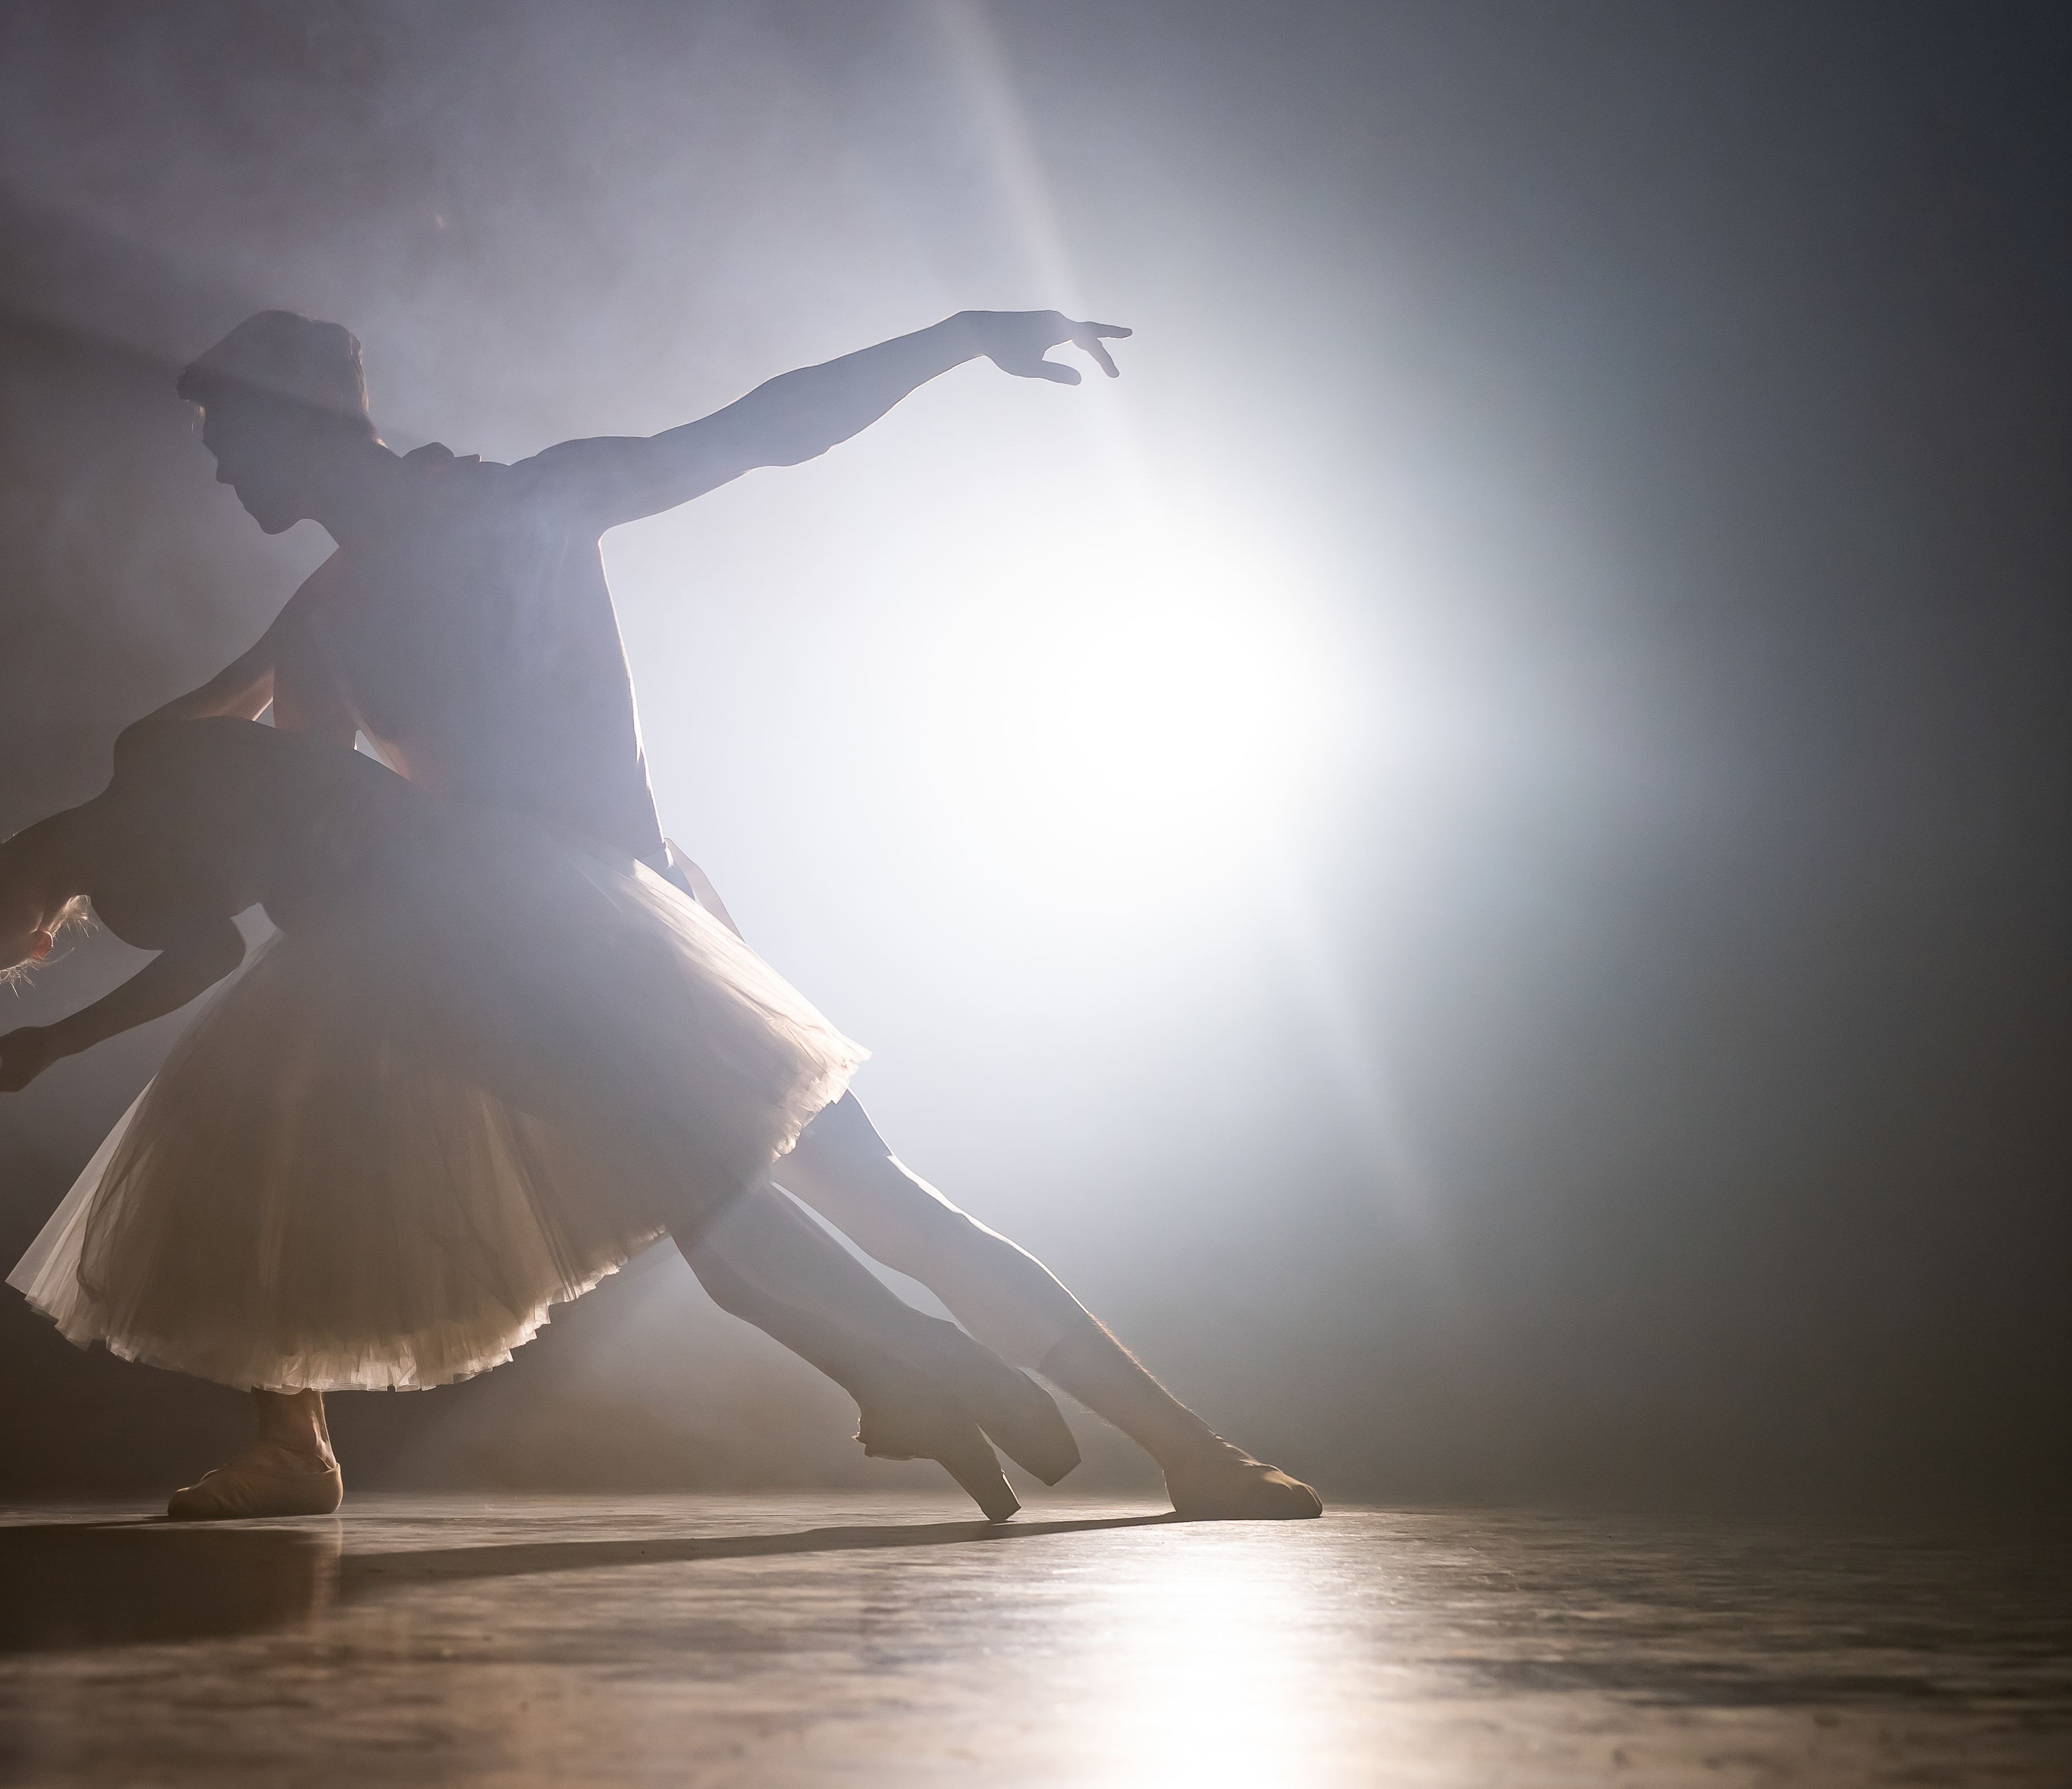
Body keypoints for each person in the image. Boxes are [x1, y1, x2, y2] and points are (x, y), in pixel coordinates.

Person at [156, 306, 1321, 1521]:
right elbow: (273, 788)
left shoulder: (524, 507)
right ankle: (295, 1444)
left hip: (633, 930)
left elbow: (763, 430)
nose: (224, 469)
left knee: (861, 1207)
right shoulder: (323, 617)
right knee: (295, 1124)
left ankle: (1181, 1442)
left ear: (299, 425)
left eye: (231, 437)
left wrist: (962, 337)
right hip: (489, 966)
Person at [0, 688, 1080, 1522]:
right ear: (14, 899)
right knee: (669, 1179)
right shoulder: (139, 825)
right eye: (7, 943)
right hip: (423, 915)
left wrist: (54, 1038)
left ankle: (920, 1367)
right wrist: (55, 1037)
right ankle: (907, 1373)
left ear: (11, 895)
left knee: (679, 1177)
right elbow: (215, 902)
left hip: (443, 914)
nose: (23, 925)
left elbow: (219, 894)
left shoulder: (139, 823)